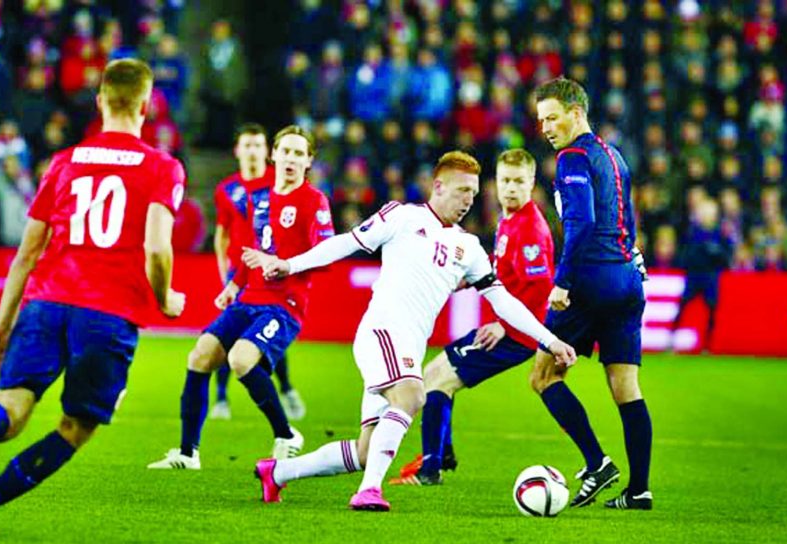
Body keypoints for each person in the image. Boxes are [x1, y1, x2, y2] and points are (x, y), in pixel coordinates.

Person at [245, 151, 576, 512]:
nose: (469, 200)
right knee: (413, 396)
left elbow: (505, 302)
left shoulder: (468, 247)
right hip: (381, 333)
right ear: (438, 186)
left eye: (474, 192)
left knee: (366, 450)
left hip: (408, 348)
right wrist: (289, 265)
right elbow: (346, 242)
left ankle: (277, 473)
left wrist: (550, 339)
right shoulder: (401, 216)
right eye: (462, 190)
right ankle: (369, 491)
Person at [0, 59, 187, 537]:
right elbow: (158, 247)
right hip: (107, 314)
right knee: (75, 428)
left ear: (99, 101)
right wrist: (165, 297)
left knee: (10, 416)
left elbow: (27, 251)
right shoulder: (162, 167)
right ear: (145, 105)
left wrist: (2, 322)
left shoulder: (65, 161)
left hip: (45, 304)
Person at [147, 125, 333, 470]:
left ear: (308, 162)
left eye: (299, 153)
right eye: (286, 151)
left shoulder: (313, 202)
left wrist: (284, 265)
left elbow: (327, 255)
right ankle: (188, 454)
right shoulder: (258, 200)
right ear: (273, 155)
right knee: (200, 355)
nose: (290, 159)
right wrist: (234, 285)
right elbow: (256, 251)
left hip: (284, 306)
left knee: (240, 359)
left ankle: (286, 434)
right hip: (249, 296)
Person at [390, 148, 555, 486]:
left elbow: (539, 290)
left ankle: (431, 469)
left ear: (532, 184)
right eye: (505, 180)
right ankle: (440, 455)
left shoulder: (531, 230)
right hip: (509, 331)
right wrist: (465, 280)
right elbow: (507, 275)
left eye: (519, 182)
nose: (510, 188)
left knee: (436, 379)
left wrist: (503, 324)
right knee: (435, 375)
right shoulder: (509, 219)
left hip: (515, 336)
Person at [530, 77, 653, 511]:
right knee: (626, 386)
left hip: (591, 280)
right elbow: (628, 220)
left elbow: (580, 225)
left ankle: (597, 463)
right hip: (627, 280)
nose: (545, 127)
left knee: (543, 376)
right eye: (541, 119)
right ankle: (639, 490)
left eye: (552, 117)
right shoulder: (614, 156)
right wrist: (633, 260)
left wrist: (563, 282)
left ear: (575, 113)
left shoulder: (573, 157)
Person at [211, 123, 306, 421]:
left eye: (257, 145)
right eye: (247, 145)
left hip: (269, 271)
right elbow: (221, 233)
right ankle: (221, 399)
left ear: (267, 151)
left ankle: (287, 388)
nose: (252, 150)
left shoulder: (276, 183)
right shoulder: (226, 189)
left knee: (265, 334)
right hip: (238, 273)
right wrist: (223, 273)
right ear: (238, 150)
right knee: (225, 334)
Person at [670, 198, 733, 352]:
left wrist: (715, 253)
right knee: (683, 305)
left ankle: (707, 345)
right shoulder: (692, 232)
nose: (706, 215)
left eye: (710, 212)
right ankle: (670, 341)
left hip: (711, 277)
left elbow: (726, 258)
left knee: (712, 310)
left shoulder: (720, 234)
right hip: (694, 276)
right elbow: (686, 255)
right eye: (704, 212)